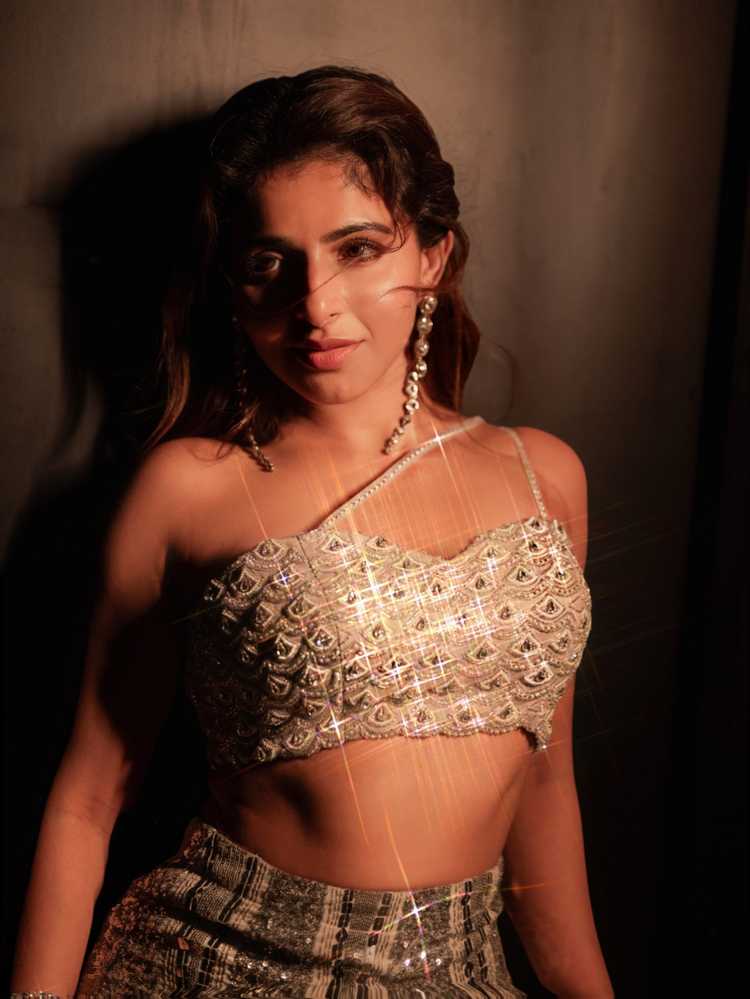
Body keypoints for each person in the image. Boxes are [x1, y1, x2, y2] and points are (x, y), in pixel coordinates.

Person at [10, 66, 613, 998]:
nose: (316, 305)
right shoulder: (188, 489)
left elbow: (543, 789)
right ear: (234, 284)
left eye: (357, 249)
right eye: (269, 262)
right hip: (221, 967)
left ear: (435, 254)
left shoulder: (544, 476)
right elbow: (88, 801)